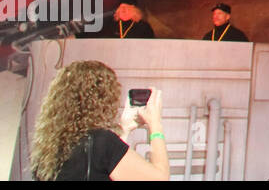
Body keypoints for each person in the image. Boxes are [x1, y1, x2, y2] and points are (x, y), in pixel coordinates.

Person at [31, 60, 169, 181]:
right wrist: (155, 124)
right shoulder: (101, 142)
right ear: (105, 100)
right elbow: (159, 178)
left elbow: (102, 167)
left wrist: (124, 128)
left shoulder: (51, 148)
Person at [86, 0, 154, 39]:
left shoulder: (144, 27)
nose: (123, 9)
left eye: (126, 7)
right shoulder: (109, 24)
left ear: (135, 11)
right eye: (121, 7)